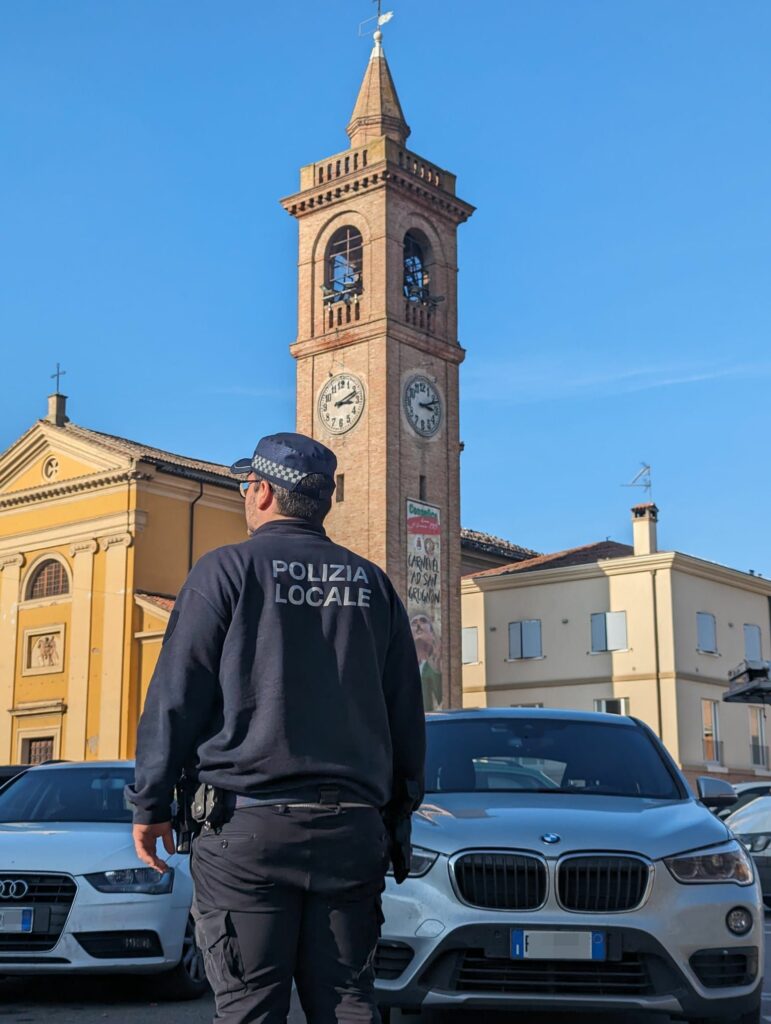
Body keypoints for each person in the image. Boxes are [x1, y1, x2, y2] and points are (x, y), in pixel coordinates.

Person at [127, 431, 425, 1024]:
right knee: (347, 1006)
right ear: (324, 502)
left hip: (247, 831)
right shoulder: (373, 585)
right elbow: (405, 715)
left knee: (249, 1011)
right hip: (352, 832)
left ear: (262, 492)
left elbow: (175, 698)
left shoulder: (225, 571)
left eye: (245, 486)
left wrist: (149, 803)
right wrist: (396, 817)